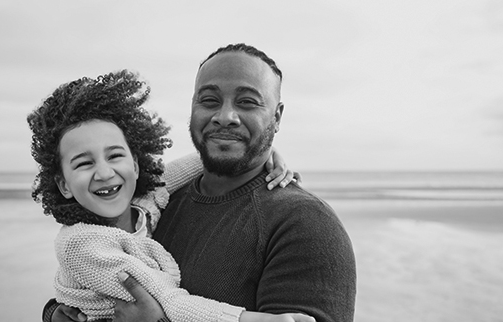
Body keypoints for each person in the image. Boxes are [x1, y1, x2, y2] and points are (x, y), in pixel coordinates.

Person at [29, 70, 313, 322]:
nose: (104, 173)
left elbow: (207, 158)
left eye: (115, 155)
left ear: (136, 165)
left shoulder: (144, 202)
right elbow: (167, 301)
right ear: (63, 185)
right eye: (83, 163)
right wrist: (252, 320)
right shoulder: (81, 245)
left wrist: (264, 153)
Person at [111, 43, 357, 322]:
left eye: (247, 102)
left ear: (276, 117)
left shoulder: (304, 223)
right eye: (210, 100)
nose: (225, 116)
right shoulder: (155, 204)